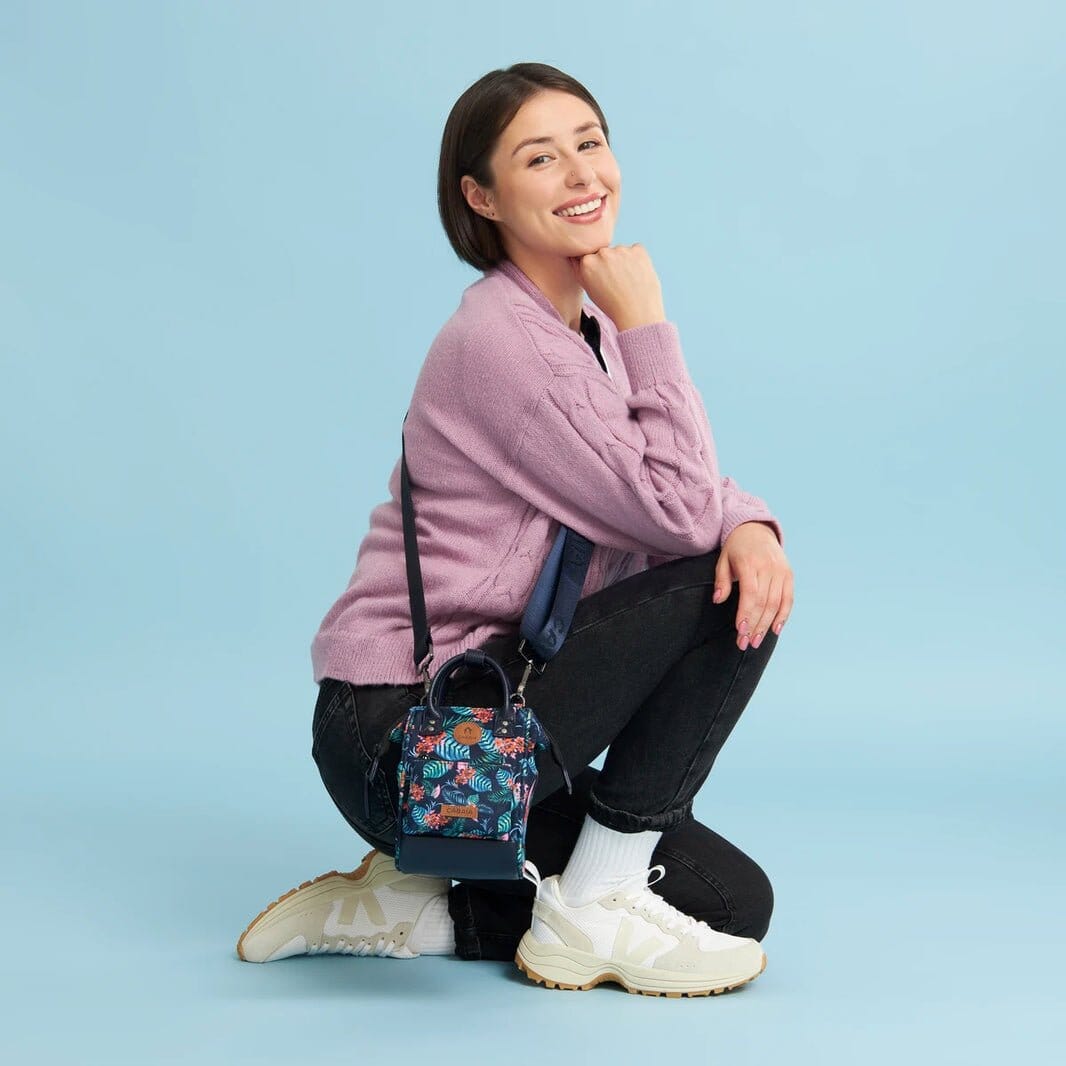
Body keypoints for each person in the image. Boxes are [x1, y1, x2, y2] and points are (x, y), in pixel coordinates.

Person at [235, 63, 794, 998]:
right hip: (408, 734)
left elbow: (674, 489)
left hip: (496, 720)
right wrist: (653, 325)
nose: (581, 174)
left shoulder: (585, 327)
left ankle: (412, 904)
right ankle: (596, 904)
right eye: (541, 158)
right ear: (482, 197)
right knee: (719, 590)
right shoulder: (505, 343)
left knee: (730, 902)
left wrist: (749, 521)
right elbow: (677, 511)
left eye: (590, 143)